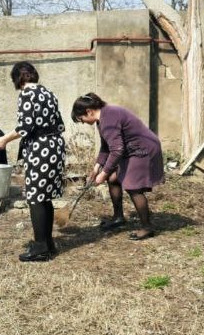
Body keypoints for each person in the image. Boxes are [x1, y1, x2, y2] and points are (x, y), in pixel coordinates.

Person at [0, 61, 65, 261]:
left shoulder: (26, 94)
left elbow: (25, 126)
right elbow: (60, 124)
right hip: (54, 146)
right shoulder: (49, 93)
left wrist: (4, 140)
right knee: (45, 196)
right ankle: (48, 243)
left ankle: (40, 247)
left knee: (35, 197)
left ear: (17, 78)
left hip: (40, 148)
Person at [70, 93, 163, 239]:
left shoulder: (108, 118)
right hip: (131, 149)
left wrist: (103, 173)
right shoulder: (103, 119)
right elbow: (106, 147)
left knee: (133, 187)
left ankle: (147, 227)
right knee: (113, 179)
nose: (82, 122)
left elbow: (117, 149)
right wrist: (96, 168)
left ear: (89, 111)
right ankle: (118, 218)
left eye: (81, 119)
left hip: (143, 149)